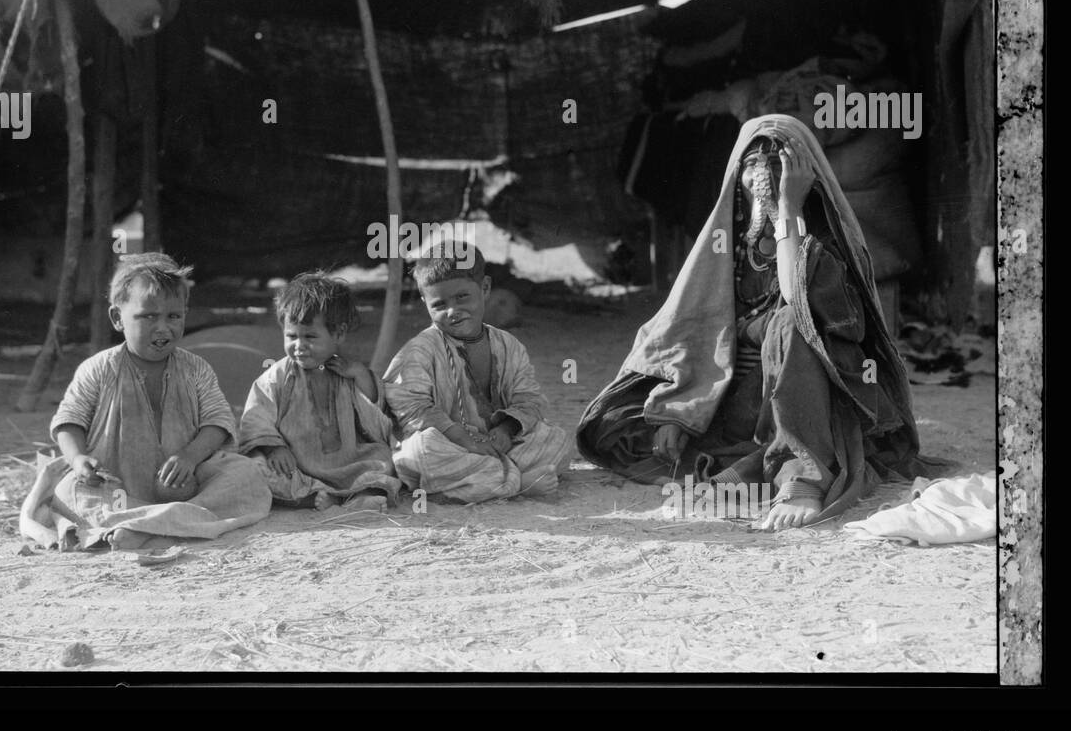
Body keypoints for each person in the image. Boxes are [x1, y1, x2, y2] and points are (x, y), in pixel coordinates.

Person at [578, 114, 951, 530]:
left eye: (780, 162)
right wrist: (676, 409)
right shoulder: (726, 249)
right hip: (735, 397)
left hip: (811, 398)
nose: (765, 175)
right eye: (753, 162)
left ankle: (801, 478)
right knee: (618, 428)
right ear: (736, 175)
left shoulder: (824, 244)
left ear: (806, 174)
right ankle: (751, 465)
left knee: (791, 323)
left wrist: (789, 209)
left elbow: (798, 302)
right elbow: (681, 327)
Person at [36, 253, 271, 549]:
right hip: (117, 487)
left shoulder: (196, 368)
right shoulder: (98, 368)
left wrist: (189, 457)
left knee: (246, 477)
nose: (163, 328)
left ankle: (145, 527)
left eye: (173, 316)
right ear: (116, 318)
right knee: (70, 490)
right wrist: (79, 459)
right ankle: (166, 524)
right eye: (148, 316)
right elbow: (69, 421)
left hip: (190, 482)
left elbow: (218, 422)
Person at [383, 244, 574, 503]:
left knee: (556, 440)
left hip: (495, 445)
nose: (452, 311)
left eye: (462, 297)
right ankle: (517, 484)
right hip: (449, 445)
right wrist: (464, 439)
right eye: (439, 304)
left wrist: (506, 431)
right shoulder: (419, 351)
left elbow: (528, 398)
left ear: (484, 288)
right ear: (424, 303)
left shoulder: (509, 345)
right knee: (422, 452)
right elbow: (410, 409)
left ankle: (483, 480)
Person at [238, 272, 403, 512]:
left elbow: (376, 418)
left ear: (339, 333)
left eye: (310, 337)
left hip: (349, 461)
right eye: (292, 336)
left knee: (384, 460)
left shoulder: (347, 370)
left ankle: (361, 496)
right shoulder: (278, 376)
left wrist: (360, 375)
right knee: (255, 468)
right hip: (297, 465)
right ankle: (311, 498)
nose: (299, 345)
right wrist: (274, 447)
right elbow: (255, 417)